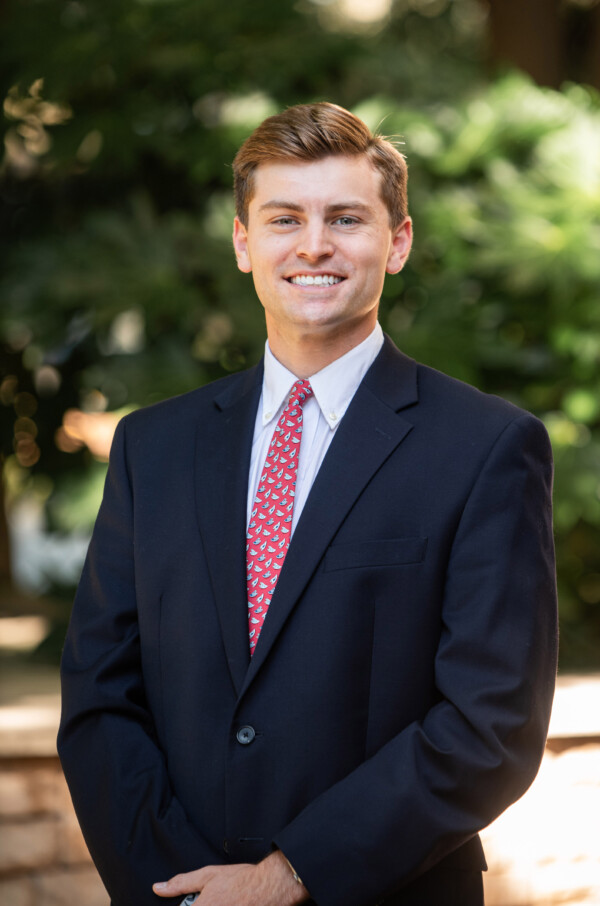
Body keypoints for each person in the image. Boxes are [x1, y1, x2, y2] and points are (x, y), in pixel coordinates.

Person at [58, 102, 558, 906]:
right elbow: (99, 695)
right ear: (243, 242)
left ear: (396, 244)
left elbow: (489, 725)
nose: (314, 244)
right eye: (284, 218)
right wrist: (186, 891)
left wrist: (287, 877)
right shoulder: (154, 449)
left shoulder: (488, 449)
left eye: (347, 218)